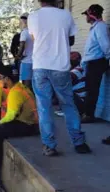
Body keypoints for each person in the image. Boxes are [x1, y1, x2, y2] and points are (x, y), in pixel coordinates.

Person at [28, 0, 91, 156]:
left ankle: (49, 146)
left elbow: (35, 39)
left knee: (44, 107)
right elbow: (71, 40)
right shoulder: (65, 15)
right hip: (60, 67)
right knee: (68, 105)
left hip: (40, 66)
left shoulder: (33, 17)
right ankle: (79, 142)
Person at [81, 4, 110, 123]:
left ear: (91, 14)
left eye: (86, 15)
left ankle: (89, 115)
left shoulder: (100, 27)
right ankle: (88, 113)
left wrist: (108, 59)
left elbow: (106, 45)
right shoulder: (96, 27)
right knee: (90, 89)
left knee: (92, 90)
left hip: (97, 62)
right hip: (93, 62)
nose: (86, 18)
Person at [55, 51, 86, 116]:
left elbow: (62, 84)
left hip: (80, 101)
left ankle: (68, 110)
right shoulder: (80, 68)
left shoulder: (75, 71)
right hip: (82, 99)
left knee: (62, 89)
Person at [17, 13, 34, 89]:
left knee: (26, 85)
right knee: (34, 85)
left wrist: (18, 56)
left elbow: (22, 45)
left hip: (26, 61)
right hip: (36, 61)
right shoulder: (34, 32)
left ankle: (28, 100)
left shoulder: (24, 32)